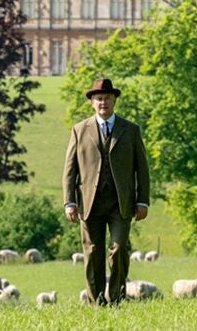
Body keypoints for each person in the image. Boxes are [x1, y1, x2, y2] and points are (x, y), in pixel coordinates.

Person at [62, 78, 150, 305]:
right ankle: (96, 302)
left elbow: (142, 169)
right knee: (93, 253)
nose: (103, 102)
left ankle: (117, 299)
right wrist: (69, 202)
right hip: (89, 202)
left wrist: (143, 201)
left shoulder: (130, 130)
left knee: (119, 249)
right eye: (99, 99)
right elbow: (70, 170)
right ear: (92, 102)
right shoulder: (79, 130)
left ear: (114, 101)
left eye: (107, 98)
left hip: (121, 202)